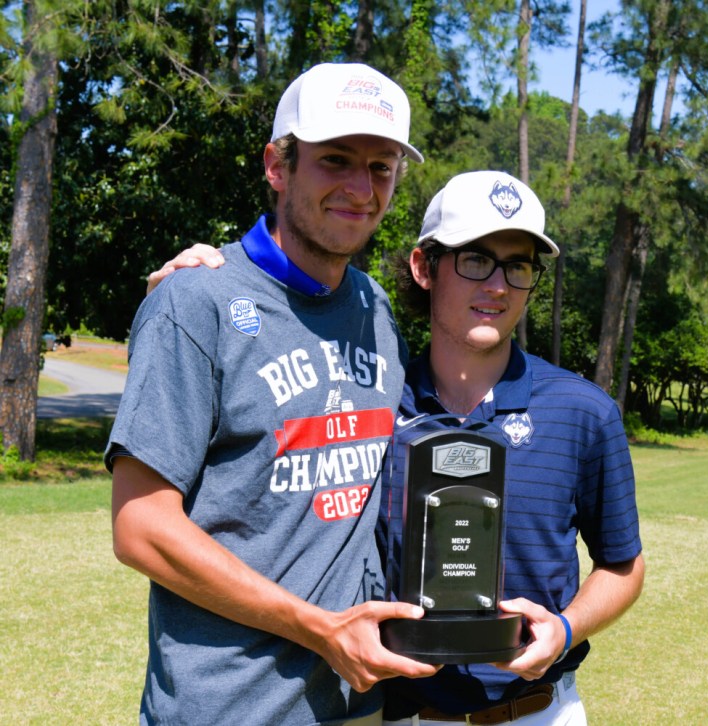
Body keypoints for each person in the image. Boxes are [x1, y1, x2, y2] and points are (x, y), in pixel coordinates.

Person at [154, 170, 645, 725]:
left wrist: (565, 627)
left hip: (536, 712)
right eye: (475, 259)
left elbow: (624, 566)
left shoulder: (583, 412)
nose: (499, 285)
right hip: (398, 714)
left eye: (520, 265)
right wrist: (200, 285)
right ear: (423, 267)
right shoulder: (373, 405)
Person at [106, 62, 440, 726]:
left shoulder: (375, 311)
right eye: (336, 160)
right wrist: (318, 628)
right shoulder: (196, 300)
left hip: (354, 703)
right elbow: (141, 528)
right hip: (227, 707)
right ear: (277, 165)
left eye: (381, 168)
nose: (360, 187)